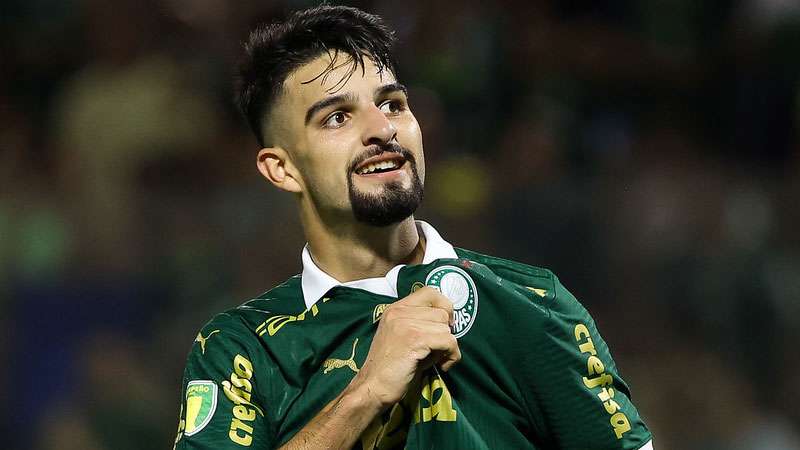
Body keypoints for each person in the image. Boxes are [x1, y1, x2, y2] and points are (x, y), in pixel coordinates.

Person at [173, 5, 654, 450]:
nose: (381, 129)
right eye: (337, 117)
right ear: (282, 169)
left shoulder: (531, 304)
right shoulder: (241, 347)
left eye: (393, 104)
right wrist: (368, 391)